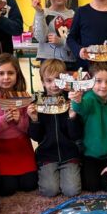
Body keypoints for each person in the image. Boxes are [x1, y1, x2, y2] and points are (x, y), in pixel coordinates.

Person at [0, 53, 38, 196]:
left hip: (22, 146)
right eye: (1, 73)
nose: (6, 77)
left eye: (10, 73)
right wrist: (3, 121)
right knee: (7, 188)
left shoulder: (24, 96)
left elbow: (29, 129)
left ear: (17, 75)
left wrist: (20, 120)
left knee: (30, 184)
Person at [27, 59, 82, 197]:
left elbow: (76, 135)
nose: (54, 85)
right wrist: (34, 120)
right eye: (49, 80)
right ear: (42, 82)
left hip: (69, 154)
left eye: (58, 80)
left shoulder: (71, 101)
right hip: (47, 155)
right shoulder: (37, 103)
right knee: (50, 190)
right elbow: (36, 137)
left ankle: (72, 170)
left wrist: (72, 117)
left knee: (72, 190)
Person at [69, 62, 107, 192]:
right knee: (91, 186)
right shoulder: (88, 98)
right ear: (91, 81)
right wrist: (76, 100)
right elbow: (81, 108)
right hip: (90, 155)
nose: (103, 86)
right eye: (98, 81)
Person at [32, 0, 77, 69]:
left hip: (69, 62)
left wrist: (62, 41)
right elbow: (40, 38)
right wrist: (39, 12)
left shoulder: (74, 15)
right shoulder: (42, 13)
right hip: (48, 62)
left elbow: (77, 41)